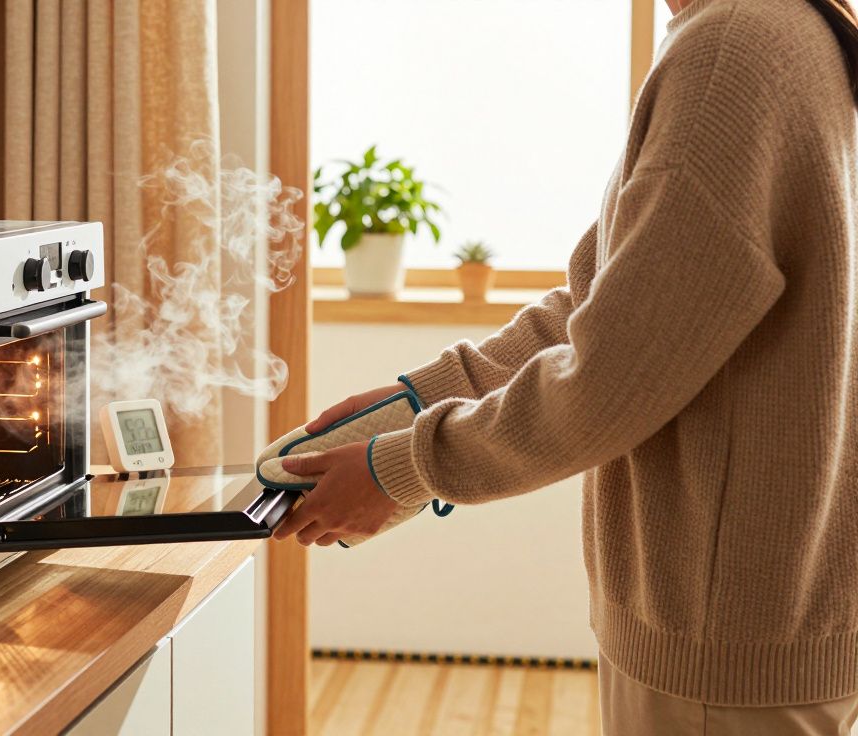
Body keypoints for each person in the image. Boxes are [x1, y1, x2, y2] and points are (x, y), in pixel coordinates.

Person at [273, 0, 858, 733]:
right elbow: (612, 296)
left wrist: (402, 469)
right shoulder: (787, 32)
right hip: (762, 625)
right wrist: (420, 399)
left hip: (722, 645)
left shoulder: (733, 49)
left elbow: (610, 383)